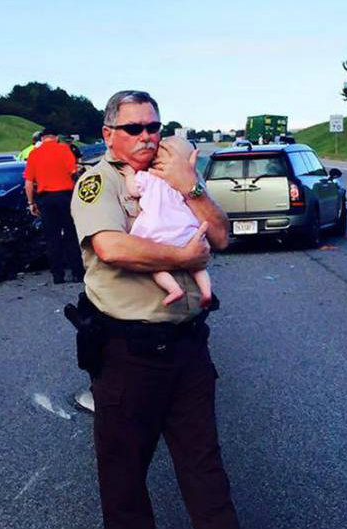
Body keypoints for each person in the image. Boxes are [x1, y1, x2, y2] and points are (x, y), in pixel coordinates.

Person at [70, 90, 239, 529]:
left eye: (153, 127)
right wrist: (184, 259)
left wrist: (192, 186)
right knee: (123, 479)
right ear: (109, 135)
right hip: (129, 355)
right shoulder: (100, 181)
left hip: (188, 349)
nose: (147, 137)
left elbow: (221, 236)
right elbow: (110, 246)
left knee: (205, 468)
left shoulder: (176, 175)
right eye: (133, 128)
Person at [121, 136, 212, 308]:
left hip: (156, 230)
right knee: (197, 266)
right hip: (185, 229)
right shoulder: (183, 180)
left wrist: (129, 174)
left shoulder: (147, 177)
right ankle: (206, 291)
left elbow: (133, 190)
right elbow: (194, 186)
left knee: (155, 266)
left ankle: (173, 289)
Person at [24, 128, 84, 284]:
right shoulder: (64, 150)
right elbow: (74, 172)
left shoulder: (34, 154)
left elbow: (29, 182)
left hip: (46, 199)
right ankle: (77, 272)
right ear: (56, 137)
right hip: (65, 197)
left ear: (42, 138)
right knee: (71, 235)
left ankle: (58, 276)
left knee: (52, 238)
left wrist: (31, 202)